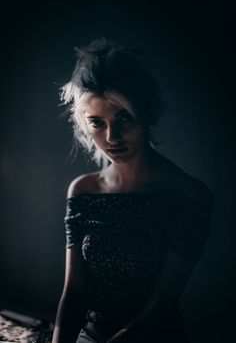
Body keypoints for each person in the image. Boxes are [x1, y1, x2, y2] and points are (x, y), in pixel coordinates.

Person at [52, 37, 213, 343]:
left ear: (146, 114)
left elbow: (160, 307)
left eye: (124, 117)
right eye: (97, 123)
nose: (112, 136)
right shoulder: (83, 191)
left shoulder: (189, 196)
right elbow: (72, 295)